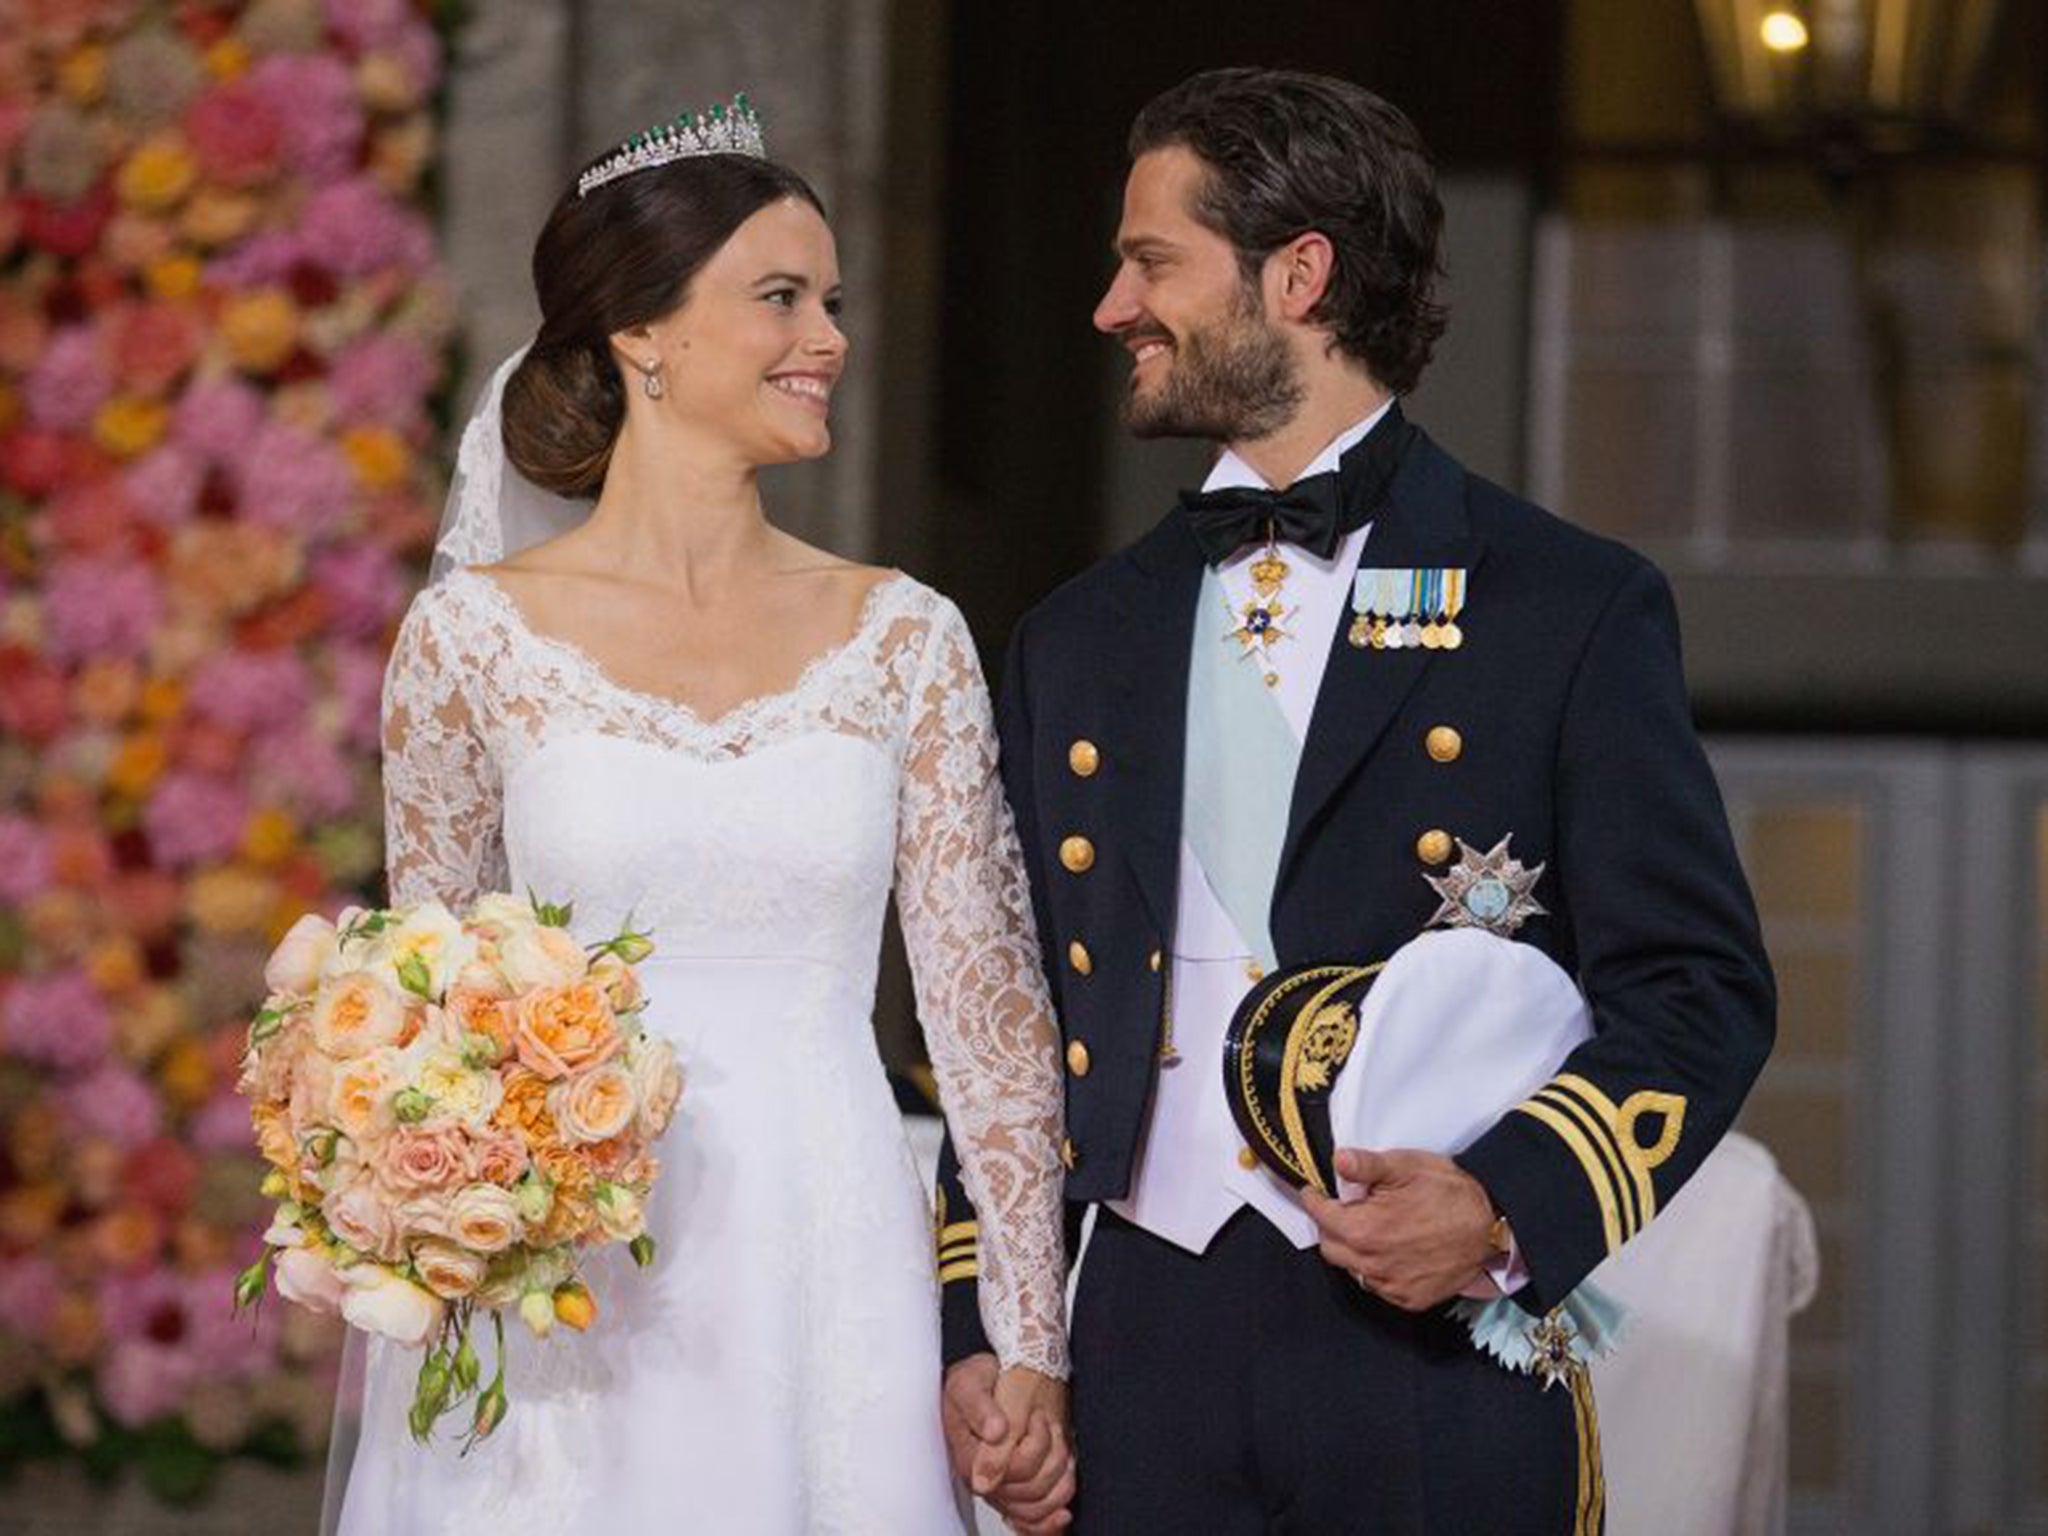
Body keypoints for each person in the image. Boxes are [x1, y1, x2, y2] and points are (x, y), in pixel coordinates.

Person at [936, 67, 1775, 1533]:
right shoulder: (1075, 637)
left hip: (1427, 1355)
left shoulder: (1566, 609)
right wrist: (994, 1336)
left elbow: (1696, 990)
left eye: (1151, 262)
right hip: (1146, 1341)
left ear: (1299, 273)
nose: (1111, 308)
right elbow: (1005, 1025)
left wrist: (1506, 1203)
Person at [333, 98, 1070, 1534]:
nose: (831, 339)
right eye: (781, 298)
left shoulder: (904, 639)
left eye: (834, 302)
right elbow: (422, 1008)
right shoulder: (469, 642)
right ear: (643, 334)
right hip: (566, 1281)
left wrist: (1029, 1338)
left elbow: (989, 1028)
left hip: (828, 1246)